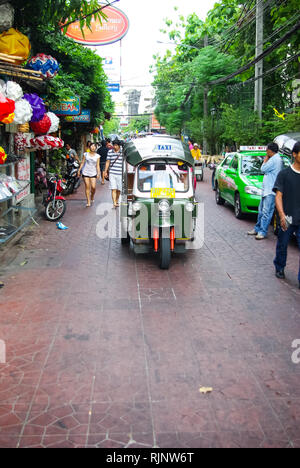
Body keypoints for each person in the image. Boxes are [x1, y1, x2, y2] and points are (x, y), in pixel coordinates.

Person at [273, 141, 300, 287]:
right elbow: (278, 196)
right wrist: (282, 215)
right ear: (294, 154)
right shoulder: (284, 174)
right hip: (287, 217)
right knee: (283, 245)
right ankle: (279, 267)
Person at [248, 142, 283, 240]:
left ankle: (262, 231)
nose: (266, 152)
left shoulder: (274, 160)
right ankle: (257, 228)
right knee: (261, 211)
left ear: (270, 151)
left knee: (266, 212)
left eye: (267, 150)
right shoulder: (276, 159)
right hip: (267, 189)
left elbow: (263, 169)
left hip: (270, 191)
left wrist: (266, 159)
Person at [77, 142, 100, 207]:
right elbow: (82, 162)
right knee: (87, 186)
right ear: (89, 147)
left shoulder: (97, 156)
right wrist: (79, 170)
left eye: (94, 146)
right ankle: (88, 201)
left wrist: (98, 173)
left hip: (93, 172)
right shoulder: (85, 154)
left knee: (93, 187)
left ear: (96, 147)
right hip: (85, 172)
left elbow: (97, 166)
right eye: (92, 146)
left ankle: (92, 196)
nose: (93, 147)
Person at [104, 139, 123, 208]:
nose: (115, 147)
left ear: (119, 146)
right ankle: (114, 203)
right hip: (112, 173)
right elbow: (108, 162)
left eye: (116, 145)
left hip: (120, 173)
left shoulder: (123, 152)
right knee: (113, 188)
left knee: (119, 189)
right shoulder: (110, 152)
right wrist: (105, 171)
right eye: (114, 145)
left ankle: (117, 200)